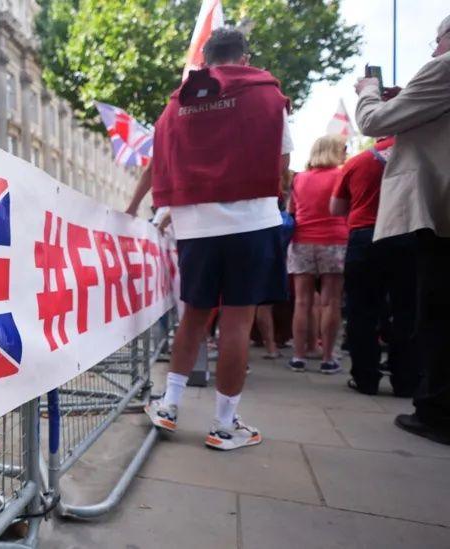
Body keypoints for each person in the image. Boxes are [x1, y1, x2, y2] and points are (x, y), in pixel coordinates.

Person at [128, 28, 292, 450]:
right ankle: (223, 426)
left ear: (205, 59)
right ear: (245, 56)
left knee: (194, 317)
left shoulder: (178, 103)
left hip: (196, 228)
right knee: (237, 322)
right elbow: (283, 162)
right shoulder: (267, 94)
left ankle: (169, 406)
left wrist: (132, 209)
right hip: (253, 222)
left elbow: (156, 164)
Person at [354, 14, 450, 445]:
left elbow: (373, 123)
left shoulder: (445, 66)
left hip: (437, 212)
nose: (432, 51)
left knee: (434, 312)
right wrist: (409, 100)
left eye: (437, 39)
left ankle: (436, 410)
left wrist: (369, 93)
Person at [330, 136, 419, 397]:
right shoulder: (420, 157)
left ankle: (365, 378)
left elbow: (336, 207)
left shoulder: (358, 162)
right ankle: (406, 380)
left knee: (362, 311)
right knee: (407, 310)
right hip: (408, 234)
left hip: (365, 236)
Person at [286, 135, 348, 374]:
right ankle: (328, 358)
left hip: (302, 241)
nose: (345, 153)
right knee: (331, 302)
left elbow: (292, 210)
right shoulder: (341, 175)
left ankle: (299, 356)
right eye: (343, 149)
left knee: (302, 302)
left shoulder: (299, 179)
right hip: (335, 240)